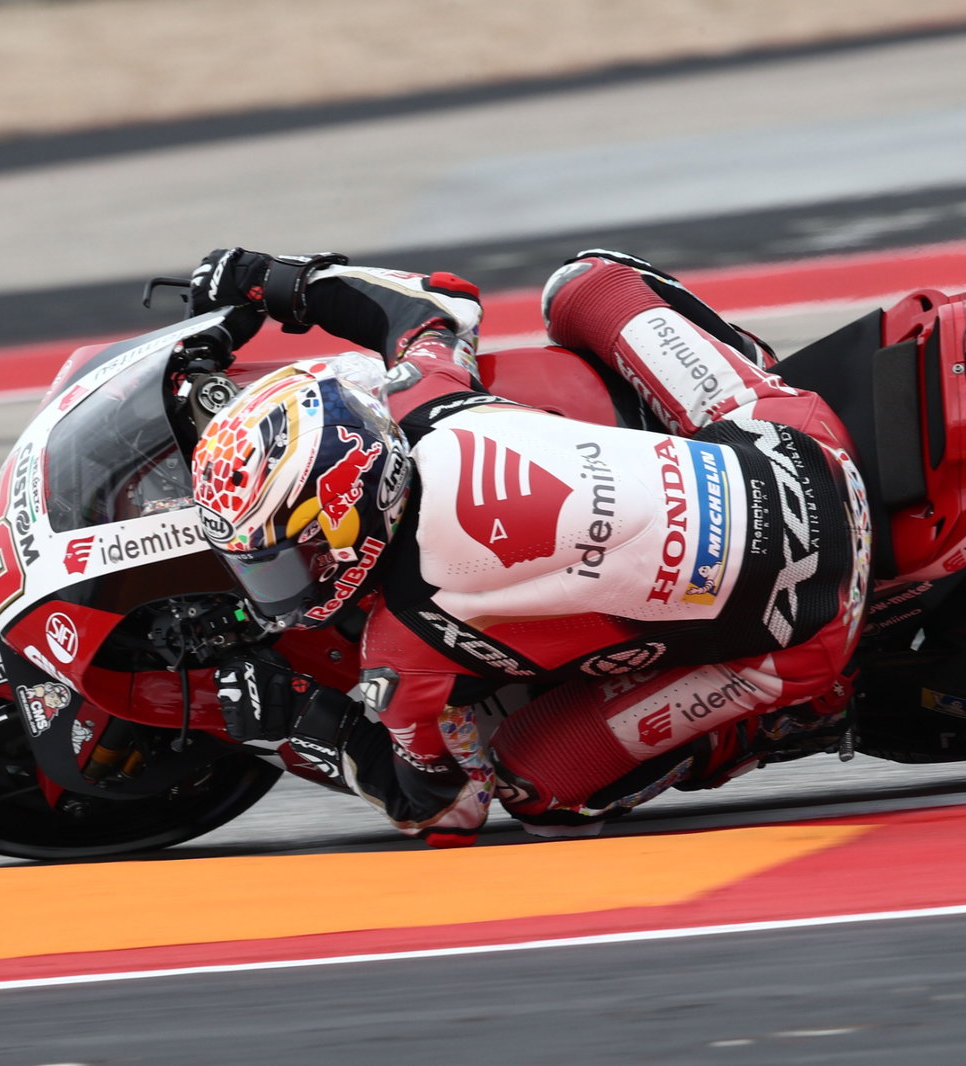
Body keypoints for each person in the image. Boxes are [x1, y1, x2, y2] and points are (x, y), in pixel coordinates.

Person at [190, 247, 872, 847]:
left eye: (284, 559)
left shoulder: (401, 649)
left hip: (803, 643)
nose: (274, 590)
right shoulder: (425, 404)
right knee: (582, 282)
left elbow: (451, 806)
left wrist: (305, 725)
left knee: (537, 794)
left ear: (341, 516)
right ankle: (747, 367)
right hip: (803, 442)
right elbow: (439, 304)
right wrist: (277, 279)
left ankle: (784, 719)